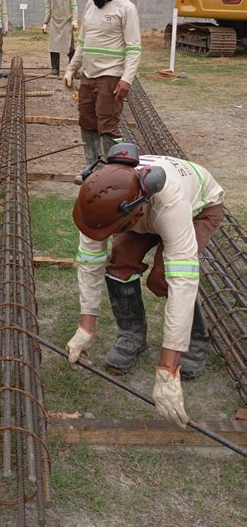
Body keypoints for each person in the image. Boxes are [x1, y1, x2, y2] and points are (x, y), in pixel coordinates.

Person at [66, 143, 224, 428]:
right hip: (142, 213)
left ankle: (195, 343)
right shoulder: (98, 203)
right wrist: (85, 327)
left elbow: (183, 281)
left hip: (197, 207)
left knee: (164, 278)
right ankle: (131, 335)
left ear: (134, 213)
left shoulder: (170, 203)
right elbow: (91, 264)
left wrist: (167, 370)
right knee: (119, 266)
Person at [63, 0, 141, 183]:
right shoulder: (89, 6)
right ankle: (93, 165)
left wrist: (127, 79)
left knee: (107, 124)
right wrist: (71, 69)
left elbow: (134, 48)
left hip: (111, 76)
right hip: (88, 75)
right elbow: (83, 43)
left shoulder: (126, 9)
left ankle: (113, 170)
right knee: (86, 121)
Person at [42, 0, 78, 75]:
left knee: (70, 47)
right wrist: (45, 23)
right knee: (54, 46)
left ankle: (72, 69)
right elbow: (48, 8)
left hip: (67, 22)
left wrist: (74, 20)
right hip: (54, 22)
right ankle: (55, 68)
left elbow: (74, 6)